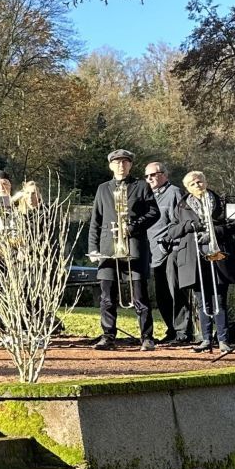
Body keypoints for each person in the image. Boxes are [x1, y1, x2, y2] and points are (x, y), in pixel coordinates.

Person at [87, 148, 158, 351]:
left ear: (130, 165)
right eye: (117, 162)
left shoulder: (141, 186)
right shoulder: (103, 188)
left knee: (140, 296)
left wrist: (133, 227)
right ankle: (108, 336)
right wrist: (93, 248)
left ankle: (147, 337)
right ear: (111, 165)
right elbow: (96, 221)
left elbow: (154, 213)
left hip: (134, 247)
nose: (121, 165)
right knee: (107, 297)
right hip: (109, 248)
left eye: (125, 162)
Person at [177, 170, 235, 353]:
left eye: (199, 181)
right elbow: (173, 230)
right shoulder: (182, 206)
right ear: (187, 188)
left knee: (219, 299)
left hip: (218, 253)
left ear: (205, 182)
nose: (197, 185)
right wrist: (190, 227)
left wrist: (215, 232)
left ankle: (223, 339)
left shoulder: (220, 201)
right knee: (202, 300)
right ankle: (205, 339)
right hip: (196, 257)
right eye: (192, 184)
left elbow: (234, 225)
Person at [144, 160, 196, 346]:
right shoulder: (147, 195)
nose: (150, 178)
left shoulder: (174, 193)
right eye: (147, 176)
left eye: (154, 174)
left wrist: (169, 243)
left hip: (171, 251)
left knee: (176, 292)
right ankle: (171, 330)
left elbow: (179, 222)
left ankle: (183, 332)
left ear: (164, 175)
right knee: (162, 296)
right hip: (153, 254)